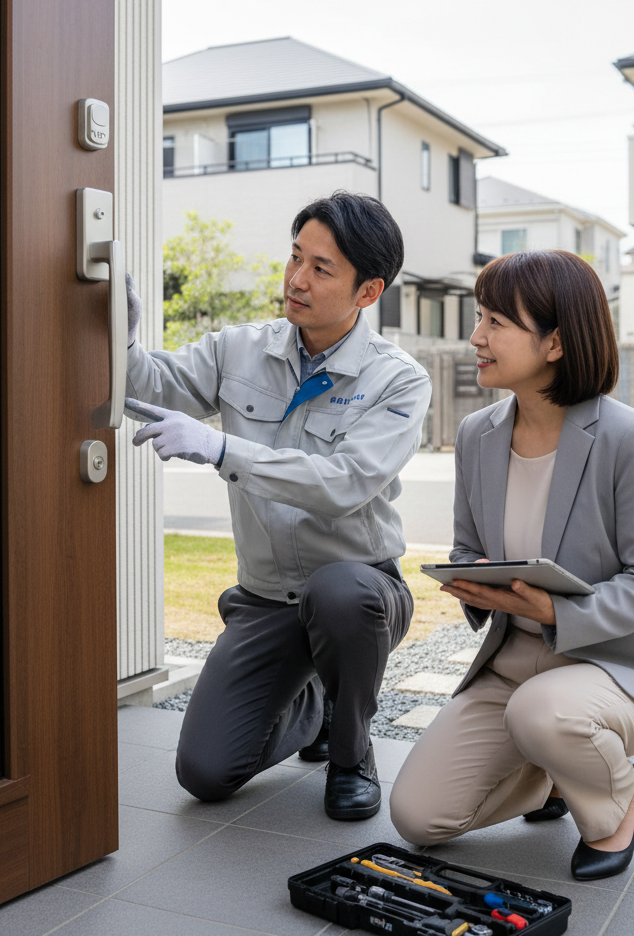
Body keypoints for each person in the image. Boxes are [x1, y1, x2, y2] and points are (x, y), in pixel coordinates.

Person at [124, 191, 430, 820]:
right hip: (266, 600)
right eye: (295, 257)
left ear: (368, 292)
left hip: (358, 590)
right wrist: (121, 346)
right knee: (205, 773)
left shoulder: (398, 380)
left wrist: (218, 446)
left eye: (322, 269)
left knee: (340, 594)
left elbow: (344, 481)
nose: (296, 280)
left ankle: (351, 753)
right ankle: (315, 704)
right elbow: (153, 389)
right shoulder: (237, 349)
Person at [389, 249, 634, 881]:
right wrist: (471, 578)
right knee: (417, 818)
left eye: (495, 321)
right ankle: (557, 772)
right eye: (479, 318)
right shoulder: (476, 434)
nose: (476, 337)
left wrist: (556, 608)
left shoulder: (627, 438)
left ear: (555, 342)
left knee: (544, 713)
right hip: (513, 663)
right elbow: (468, 545)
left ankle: (614, 804)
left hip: (612, 666)